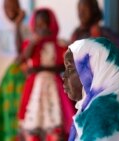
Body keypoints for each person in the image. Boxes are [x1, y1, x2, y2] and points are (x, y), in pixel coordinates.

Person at [63, 37, 119, 141]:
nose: (64, 76)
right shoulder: (117, 103)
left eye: (70, 69)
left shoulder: (103, 111)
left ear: (93, 71)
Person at [18, 8, 76, 141]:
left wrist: (39, 69)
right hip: (35, 88)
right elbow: (24, 57)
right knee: (33, 121)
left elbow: (63, 66)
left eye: (44, 24)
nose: (41, 28)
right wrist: (34, 41)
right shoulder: (32, 44)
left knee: (55, 120)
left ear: (51, 25)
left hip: (54, 87)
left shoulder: (59, 44)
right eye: (38, 25)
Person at [0, 0, 29, 119]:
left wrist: (17, 26)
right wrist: (16, 59)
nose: (11, 9)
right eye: (8, 6)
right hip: (3, 81)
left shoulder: (25, 29)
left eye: (15, 6)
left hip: (21, 82)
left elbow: (26, 54)